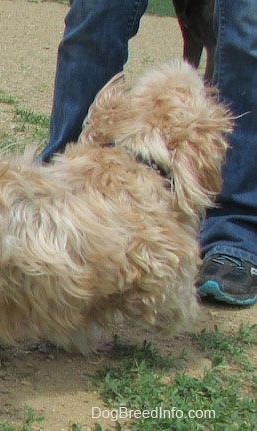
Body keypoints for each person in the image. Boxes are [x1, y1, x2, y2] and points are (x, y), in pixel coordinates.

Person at [37, 0, 257, 306]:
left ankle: (234, 237)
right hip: (65, 199)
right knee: (96, 13)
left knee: (249, 30)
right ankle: (60, 207)